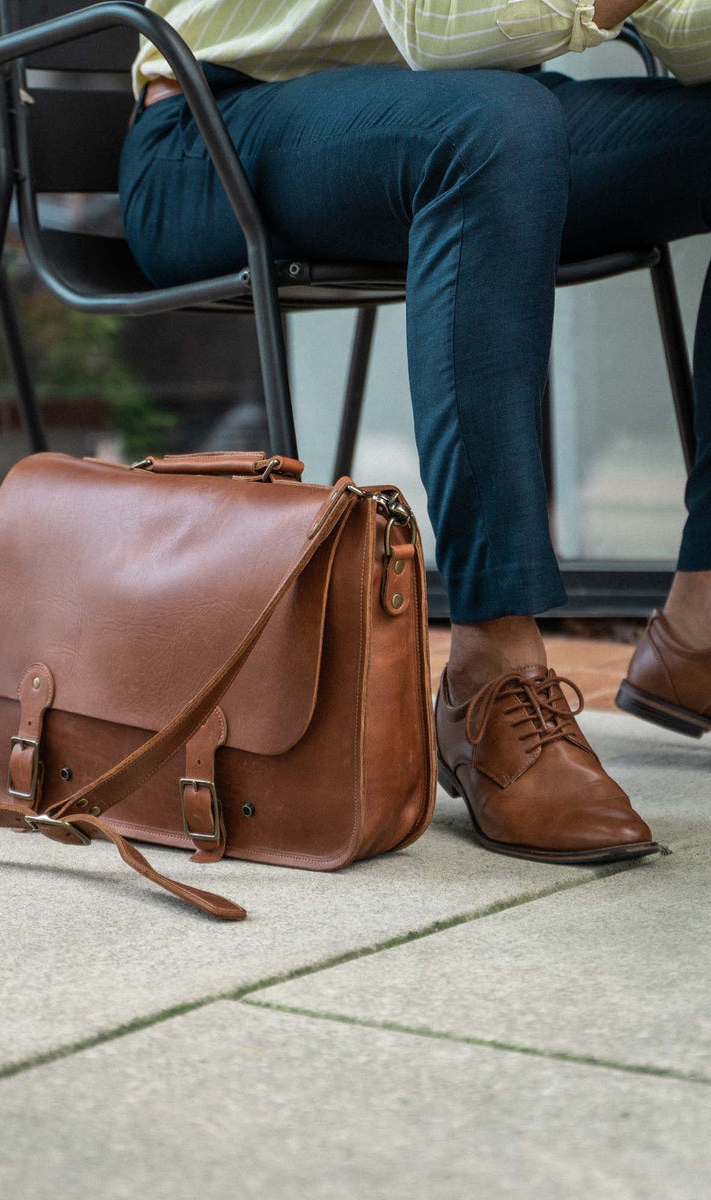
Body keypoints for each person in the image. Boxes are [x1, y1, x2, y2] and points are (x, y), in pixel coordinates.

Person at [120, 0, 711, 864]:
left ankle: (701, 626)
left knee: (496, 121)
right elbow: (442, 30)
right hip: (212, 134)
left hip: (463, 117)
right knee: (489, 126)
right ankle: (490, 676)